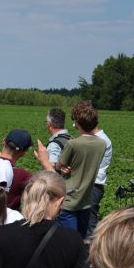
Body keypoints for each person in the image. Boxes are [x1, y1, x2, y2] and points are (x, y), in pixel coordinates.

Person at [34, 100, 107, 238]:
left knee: (65, 241)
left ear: (78, 123)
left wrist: (46, 160)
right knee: (80, 240)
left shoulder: (73, 144)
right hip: (85, 201)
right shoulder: (102, 144)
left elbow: (58, 166)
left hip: (68, 201)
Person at [86, 122, 113, 236]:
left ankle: (93, 250)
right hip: (92, 184)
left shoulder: (99, 141)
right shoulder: (97, 140)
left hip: (93, 185)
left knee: (90, 223)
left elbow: (87, 164)